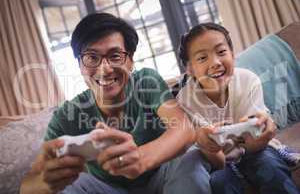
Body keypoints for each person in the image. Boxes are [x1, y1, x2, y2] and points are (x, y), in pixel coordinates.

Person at [20, 13, 220, 194]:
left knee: (191, 157)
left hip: (162, 175)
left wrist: (140, 158)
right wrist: (44, 185)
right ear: (80, 65)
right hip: (108, 189)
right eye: (91, 58)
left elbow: (183, 130)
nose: (105, 69)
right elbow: (29, 183)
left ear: (130, 61)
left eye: (115, 56)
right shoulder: (66, 115)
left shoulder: (146, 82)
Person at [176, 23, 300, 194]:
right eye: (202, 58)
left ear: (232, 55)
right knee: (219, 183)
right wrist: (211, 144)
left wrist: (260, 133)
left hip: (256, 150)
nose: (215, 63)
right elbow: (208, 151)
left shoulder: (248, 80)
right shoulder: (185, 101)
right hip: (218, 161)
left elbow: (257, 136)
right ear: (190, 69)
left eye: (221, 52)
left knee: (270, 167)